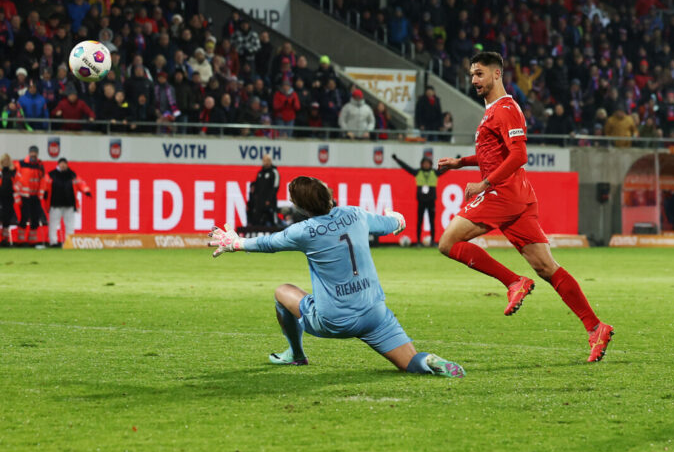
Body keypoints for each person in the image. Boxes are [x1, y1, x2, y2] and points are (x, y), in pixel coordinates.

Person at [436, 52, 614, 362]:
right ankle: (595, 327)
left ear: (496, 75)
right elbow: (496, 153)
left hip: (503, 194)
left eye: (479, 74)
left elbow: (518, 156)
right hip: (518, 197)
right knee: (547, 267)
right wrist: (460, 162)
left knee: (447, 243)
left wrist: (484, 184)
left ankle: (513, 281)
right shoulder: (493, 111)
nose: (474, 80)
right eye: (472, 74)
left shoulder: (505, 109)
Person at [207, 175, 464, 377]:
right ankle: (428, 361)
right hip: (374, 314)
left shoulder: (303, 231)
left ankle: (296, 354)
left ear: (298, 206)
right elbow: (396, 224)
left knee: (282, 291)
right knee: (410, 362)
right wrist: (395, 218)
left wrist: (235, 243)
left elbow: (267, 243)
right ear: (329, 195)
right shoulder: (355, 214)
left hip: (334, 320)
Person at [392, 154, 450, 245]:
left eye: (428, 163)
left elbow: (445, 169)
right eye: (424, 163)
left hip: (431, 201)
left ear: (430, 164)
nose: (426, 165)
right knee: (419, 221)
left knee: (432, 222)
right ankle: (418, 241)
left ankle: (432, 241)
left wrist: (456, 160)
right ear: (421, 164)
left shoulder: (434, 173)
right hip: (421, 201)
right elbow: (407, 167)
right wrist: (397, 160)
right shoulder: (418, 172)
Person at [42, 157, 91, 246]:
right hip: (55, 204)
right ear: (58, 164)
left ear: (67, 164)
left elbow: (80, 183)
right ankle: (53, 242)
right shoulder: (51, 175)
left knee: (70, 225)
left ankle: (69, 242)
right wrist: (44, 193)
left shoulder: (72, 175)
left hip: (69, 204)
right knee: (53, 224)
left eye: (64, 163)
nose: (63, 165)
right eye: (61, 163)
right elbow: (44, 184)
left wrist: (86, 191)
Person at [13, 145, 47, 244]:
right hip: (25, 196)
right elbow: (16, 178)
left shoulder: (40, 165)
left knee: (35, 218)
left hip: (35, 196)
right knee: (24, 217)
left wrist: (41, 193)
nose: (34, 154)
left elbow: (42, 179)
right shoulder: (21, 163)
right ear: (29, 153)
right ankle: (21, 240)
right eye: (32, 152)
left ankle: (32, 240)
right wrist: (17, 194)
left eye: (35, 152)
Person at [246, 154, 280, 230]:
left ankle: (276, 235)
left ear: (270, 161)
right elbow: (257, 187)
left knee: (273, 221)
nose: (266, 162)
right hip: (259, 203)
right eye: (264, 160)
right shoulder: (260, 173)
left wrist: (269, 200)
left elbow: (275, 187)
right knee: (258, 222)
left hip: (270, 202)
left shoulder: (274, 172)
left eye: (267, 161)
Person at [0, 154, 16, 246]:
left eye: (7, 160)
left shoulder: (12, 172)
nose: (6, 162)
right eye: (4, 160)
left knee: (7, 219)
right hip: (0, 198)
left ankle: (5, 240)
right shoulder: (0, 172)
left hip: (9, 198)